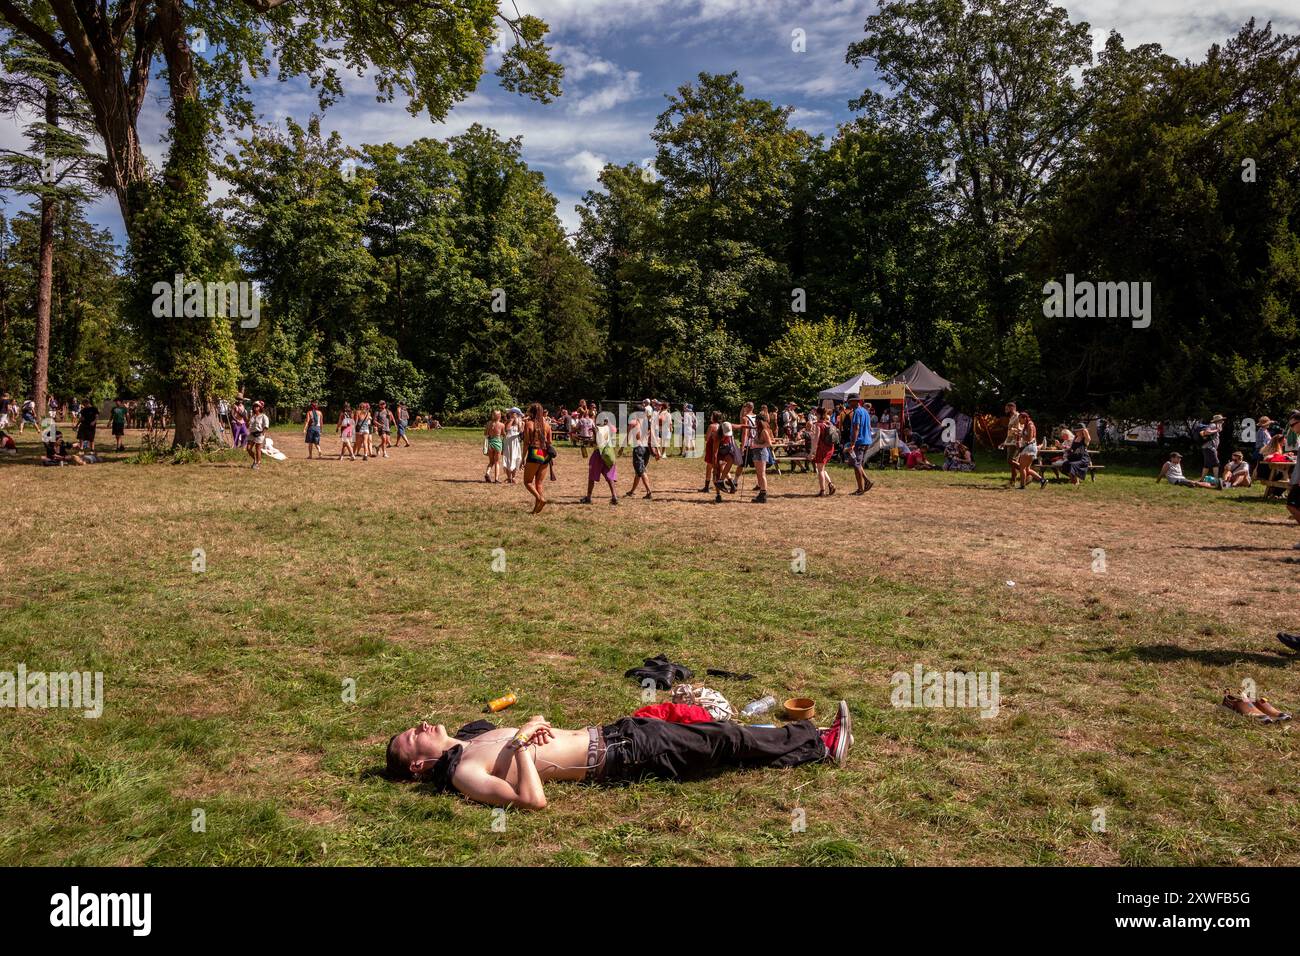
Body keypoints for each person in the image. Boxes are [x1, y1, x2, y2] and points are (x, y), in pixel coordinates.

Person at [383, 700, 853, 810]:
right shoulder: (464, 771)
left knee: (716, 733)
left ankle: (802, 742)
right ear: (419, 765)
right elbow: (530, 801)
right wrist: (523, 741)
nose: (421, 724)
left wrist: (534, 728)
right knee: (722, 742)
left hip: (615, 733)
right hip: (621, 758)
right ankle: (822, 744)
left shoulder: (468, 738)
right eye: (411, 736)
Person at [521, 402, 552, 514]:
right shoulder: (547, 425)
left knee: (527, 482)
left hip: (535, 452)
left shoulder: (529, 424)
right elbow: (550, 442)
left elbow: (526, 443)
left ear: (532, 412)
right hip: (545, 454)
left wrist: (522, 458)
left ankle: (540, 498)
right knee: (539, 483)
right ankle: (536, 509)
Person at [580, 418, 619, 506]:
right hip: (608, 454)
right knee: (609, 477)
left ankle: (588, 497)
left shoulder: (597, 429)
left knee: (592, 476)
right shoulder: (610, 429)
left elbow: (596, 442)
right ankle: (614, 496)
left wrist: (586, 441)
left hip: (598, 454)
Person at [847, 396, 874, 494]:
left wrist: (853, 443)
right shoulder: (865, 411)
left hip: (859, 442)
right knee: (857, 463)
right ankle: (867, 481)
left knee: (856, 464)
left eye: (850, 402)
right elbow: (869, 427)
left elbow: (856, 428)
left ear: (855, 402)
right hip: (866, 441)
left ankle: (860, 489)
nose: (848, 404)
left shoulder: (857, 412)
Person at [627, 405, 654, 500]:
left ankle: (649, 492)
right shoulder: (647, 422)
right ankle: (632, 491)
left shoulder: (633, 422)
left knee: (641, 471)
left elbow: (628, 437)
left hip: (638, 448)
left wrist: (623, 447)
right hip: (646, 449)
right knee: (639, 471)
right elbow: (650, 435)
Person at [750, 407, 774, 504]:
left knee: (762, 474)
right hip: (757, 453)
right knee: (759, 474)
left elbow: (769, 444)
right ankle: (761, 493)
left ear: (759, 421)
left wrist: (757, 445)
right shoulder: (759, 430)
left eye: (756, 421)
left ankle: (763, 495)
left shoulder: (764, 431)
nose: (755, 422)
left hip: (761, 453)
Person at [813, 406, 837, 496]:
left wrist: (812, 451)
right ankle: (830, 485)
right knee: (822, 468)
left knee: (820, 470)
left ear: (818, 414)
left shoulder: (818, 425)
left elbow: (816, 439)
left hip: (822, 449)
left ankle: (822, 491)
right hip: (830, 448)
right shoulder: (828, 423)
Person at [1195, 413, 1226, 480]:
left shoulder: (1215, 425)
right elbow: (1206, 432)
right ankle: (1216, 480)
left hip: (1208, 447)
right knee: (1216, 463)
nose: (1223, 421)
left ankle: (1201, 479)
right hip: (1209, 447)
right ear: (1218, 420)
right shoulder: (1213, 425)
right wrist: (1217, 430)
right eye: (1222, 420)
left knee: (1207, 465)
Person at [1000, 401, 1022, 486]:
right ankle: (1013, 481)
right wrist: (1005, 442)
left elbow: (1020, 430)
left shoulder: (1017, 417)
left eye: (1007, 408)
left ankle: (1027, 473)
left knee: (1010, 461)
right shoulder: (1012, 417)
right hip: (1010, 443)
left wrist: (1016, 438)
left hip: (1015, 442)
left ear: (1012, 408)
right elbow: (1009, 432)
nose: (1005, 410)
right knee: (1013, 462)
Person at [700, 410, 721, 493]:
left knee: (709, 467)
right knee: (720, 467)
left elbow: (707, 438)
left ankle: (706, 487)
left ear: (714, 417)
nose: (710, 417)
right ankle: (730, 483)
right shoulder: (720, 426)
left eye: (711, 416)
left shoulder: (711, 426)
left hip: (711, 448)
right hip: (719, 448)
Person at [246, 400, 270, 469]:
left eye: (257, 406)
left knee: (257, 449)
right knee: (248, 448)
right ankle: (255, 460)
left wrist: (262, 433)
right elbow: (248, 425)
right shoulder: (252, 416)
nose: (255, 407)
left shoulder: (263, 416)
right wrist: (249, 417)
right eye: (254, 406)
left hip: (259, 434)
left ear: (260, 407)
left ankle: (258, 463)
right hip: (252, 434)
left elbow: (266, 426)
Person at [502, 408, 523, 483]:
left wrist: (518, 422)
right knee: (507, 458)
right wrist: (511, 420)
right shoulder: (507, 421)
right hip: (507, 442)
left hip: (515, 443)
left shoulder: (519, 422)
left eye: (512, 413)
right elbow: (507, 429)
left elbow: (521, 431)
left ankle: (513, 477)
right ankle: (508, 477)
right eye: (510, 413)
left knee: (515, 457)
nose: (510, 414)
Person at [483, 410, 504, 482]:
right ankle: (496, 479)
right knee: (497, 462)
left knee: (491, 461)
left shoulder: (488, 423)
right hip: (498, 443)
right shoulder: (501, 425)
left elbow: (485, 433)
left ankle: (487, 473)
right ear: (499, 416)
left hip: (490, 443)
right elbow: (503, 434)